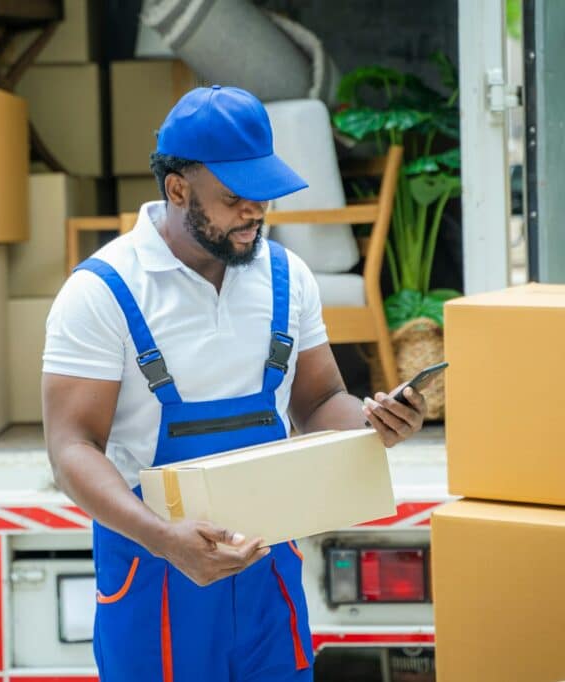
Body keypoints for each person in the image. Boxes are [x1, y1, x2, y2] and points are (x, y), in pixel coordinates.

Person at [42, 85, 426, 682]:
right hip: (154, 574)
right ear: (176, 189)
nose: (254, 211)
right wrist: (167, 539)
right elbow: (71, 450)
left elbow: (320, 400)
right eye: (234, 198)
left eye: (263, 195)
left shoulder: (285, 276)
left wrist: (375, 423)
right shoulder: (102, 292)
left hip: (267, 574)